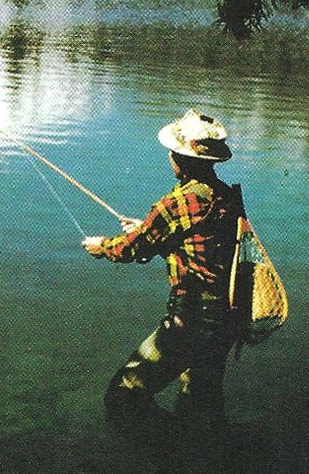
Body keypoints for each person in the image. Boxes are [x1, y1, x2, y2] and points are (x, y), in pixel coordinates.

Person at [82, 108, 242, 422]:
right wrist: (150, 229)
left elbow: (131, 249)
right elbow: (202, 242)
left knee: (123, 394)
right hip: (225, 318)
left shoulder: (176, 204)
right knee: (200, 405)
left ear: (181, 160)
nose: (170, 157)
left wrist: (102, 247)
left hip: (191, 316)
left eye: (172, 153)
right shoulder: (225, 196)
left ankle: (160, 450)